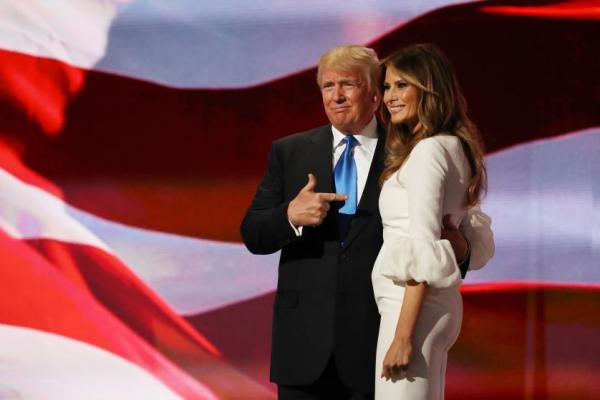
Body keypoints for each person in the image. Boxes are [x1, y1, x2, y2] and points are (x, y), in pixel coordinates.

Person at [240, 45, 493, 400]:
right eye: (328, 86)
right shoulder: (290, 152)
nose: (337, 96)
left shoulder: (407, 146)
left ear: (375, 94)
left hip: (377, 336)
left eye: (348, 84)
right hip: (303, 346)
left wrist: (461, 246)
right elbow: (252, 232)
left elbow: (453, 226)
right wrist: (290, 216)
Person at [372, 43, 494, 399]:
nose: (389, 96)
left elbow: (423, 247)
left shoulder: (428, 152)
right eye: (387, 86)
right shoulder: (453, 146)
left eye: (401, 85)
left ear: (429, 90)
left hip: (411, 311)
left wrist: (402, 336)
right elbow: (462, 237)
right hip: (431, 308)